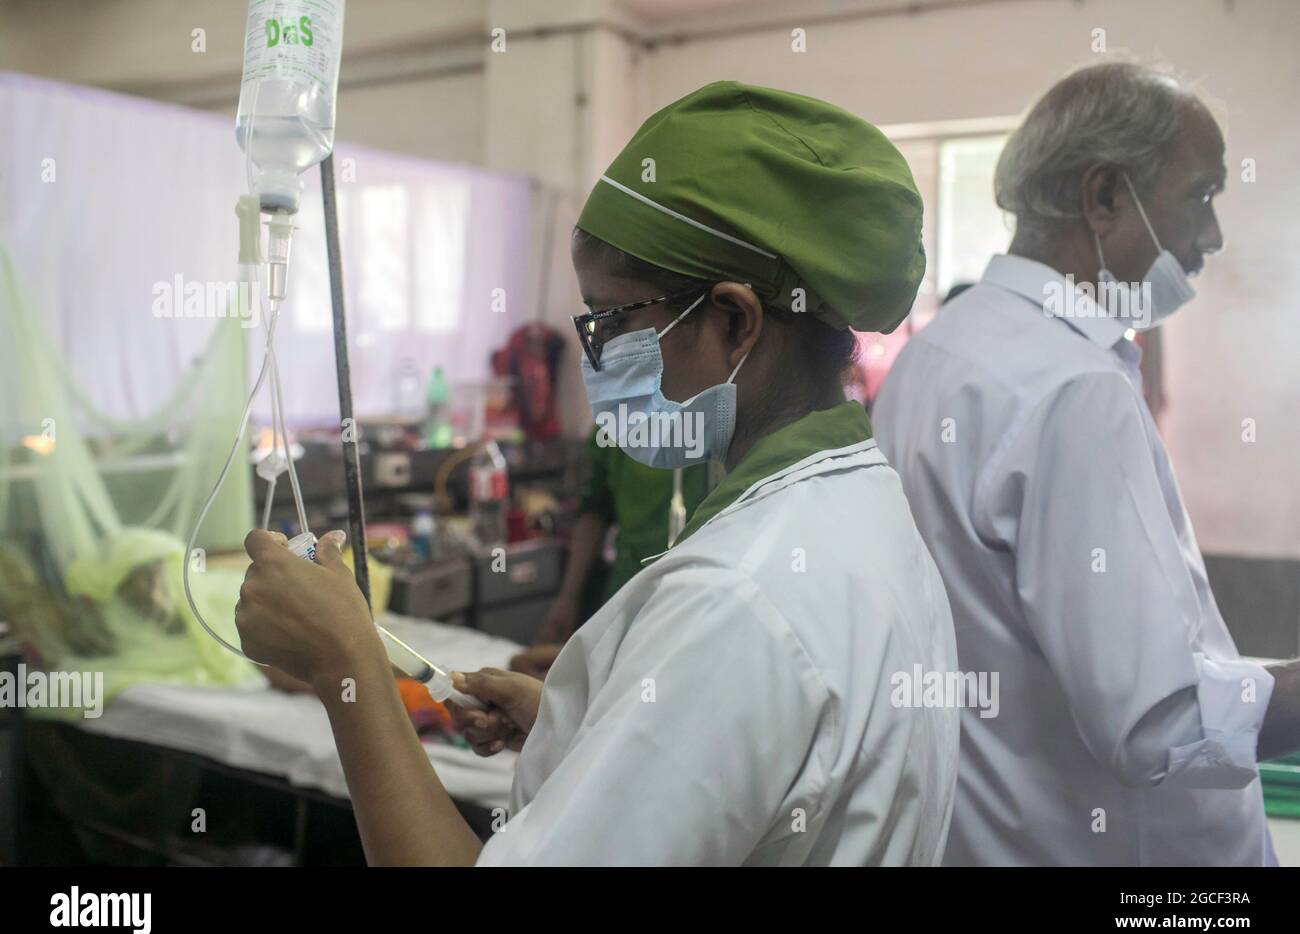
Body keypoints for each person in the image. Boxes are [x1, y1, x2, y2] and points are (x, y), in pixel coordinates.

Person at [233, 81, 958, 866]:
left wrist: (346, 664)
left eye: (612, 319)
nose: (593, 355)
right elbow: (770, 771)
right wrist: (585, 727)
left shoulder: (737, 601)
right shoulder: (858, 509)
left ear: (736, 321)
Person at [874, 62, 1300, 866]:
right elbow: (1161, 723)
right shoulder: (1071, 387)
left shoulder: (938, 356)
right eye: (1201, 196)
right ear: (1103, 196)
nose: (1209, 237)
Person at [512, 434, 711, 679]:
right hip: (626, 588)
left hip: (692, 594)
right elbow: (595, 510)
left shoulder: (710, 422)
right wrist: (568, 598)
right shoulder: (614, 426)